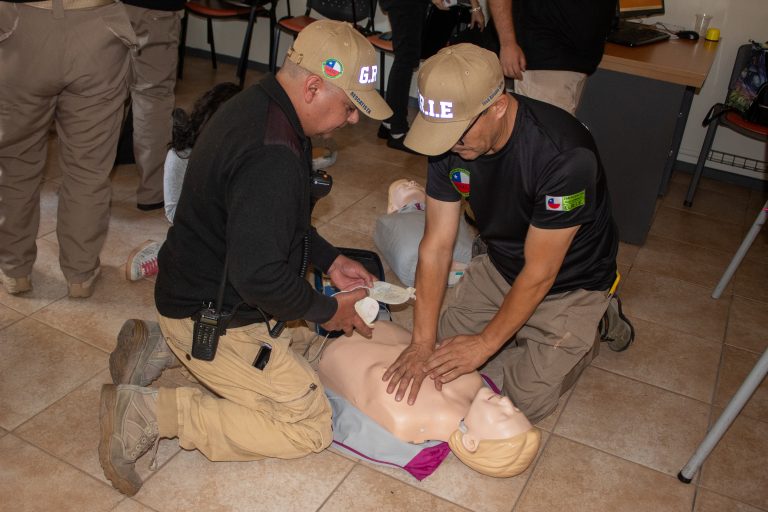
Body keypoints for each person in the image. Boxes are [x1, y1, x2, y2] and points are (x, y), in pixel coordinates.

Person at [98, 20, 393, 497]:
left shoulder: (264, 107)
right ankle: (146, 414)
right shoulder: (273, 154)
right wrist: (327, 310)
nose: (354, 119)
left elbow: (274, 220)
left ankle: (162, 345)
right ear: (315, 87)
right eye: (351, 106)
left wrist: (329, 259)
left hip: (197, 289)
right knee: (309, 425)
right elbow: (259, 277)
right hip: (212, 313)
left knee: (296, 352)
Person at [382, 44, 632, 425]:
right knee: (437, 358)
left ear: (498, 105)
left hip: (569, 283)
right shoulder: (449, 139)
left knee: (521, 405)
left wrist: (485, 344)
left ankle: (596, 321)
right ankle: (514, 329)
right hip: (501, 264)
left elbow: (541, 273)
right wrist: (420, 342)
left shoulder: (563, 156)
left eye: (457, 132)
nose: (448, 145)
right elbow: (436, 247)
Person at [0, 0, 135, 298]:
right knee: (89, 166)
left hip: (22, 26)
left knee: (15, 162)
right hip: (97, 27)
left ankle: (14, 269)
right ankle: (81, 273)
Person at [317, 320, 541, 477]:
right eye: (515, 410)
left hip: (337, 349)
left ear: (470, 442)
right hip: (370, 326)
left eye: (504, 417)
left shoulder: (405, 420)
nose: (506, 402)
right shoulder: (473, 382)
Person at [125, 82, 242, 281]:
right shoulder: (181, 156)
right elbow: (173, 213)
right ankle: (162, 254)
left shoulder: (247, 152)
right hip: (201, 229)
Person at [377, 0, 484, 154]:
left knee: (406, 58)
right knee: (405, 59)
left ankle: (388, 124)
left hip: (408, 5)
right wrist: (476, 7)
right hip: (405, 4)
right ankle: (397, 132)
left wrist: (475, 7)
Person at [487, 0, 615, 115]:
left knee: (562, 134)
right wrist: (508, 43)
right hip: (546, 55)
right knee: (547, 135)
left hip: (579, 59)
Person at [122, 0, 185, 211]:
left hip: (105, 8)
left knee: (103, 95)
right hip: (153, 9)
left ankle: (82, 187)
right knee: (152, 97)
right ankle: (153, 191)